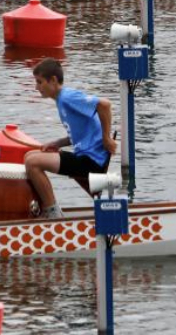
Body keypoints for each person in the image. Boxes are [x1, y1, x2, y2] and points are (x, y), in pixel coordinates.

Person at [26, 58, 116, 220]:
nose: (36, 87)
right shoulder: (61, 100)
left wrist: (106, 138)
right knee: (30, 156)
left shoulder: (67, 97)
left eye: (39, 82)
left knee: (32, 163)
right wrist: (57, 143)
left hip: (91, 161)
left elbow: (105, 105)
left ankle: (52, 212)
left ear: (53, 80)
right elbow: (80, 133)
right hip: (84, 157)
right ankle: (47, 208)